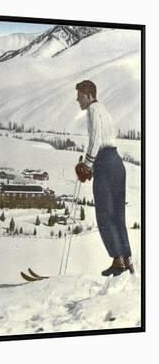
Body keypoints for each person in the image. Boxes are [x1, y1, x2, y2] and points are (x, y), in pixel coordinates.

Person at [74, 80, 134, 277]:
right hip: (116, 162)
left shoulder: (92, 110)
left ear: (88, 95)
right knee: (118, 215)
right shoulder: (104, 110)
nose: (77, 100)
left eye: (79, 96)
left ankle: (118, 261)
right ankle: (127, 259)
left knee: (104, 215)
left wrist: (88, 165)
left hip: (104, 163)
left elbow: (96, 139)